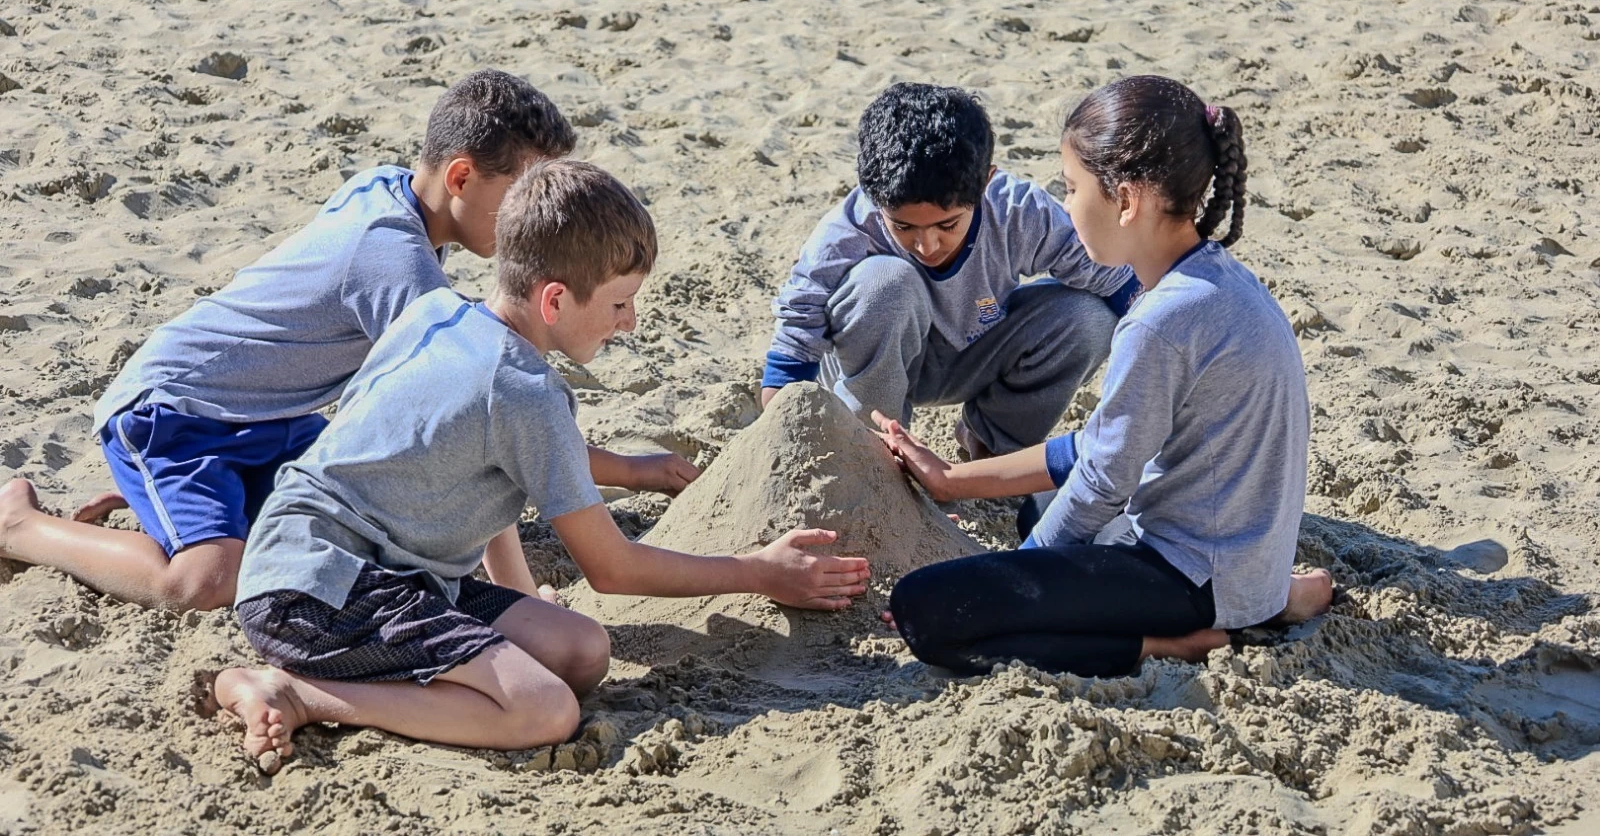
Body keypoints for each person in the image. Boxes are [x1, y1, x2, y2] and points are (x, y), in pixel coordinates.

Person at [215, 160, 870, 769]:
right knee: (544, 708)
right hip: (318, 590)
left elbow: (482, 474)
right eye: (618, 304)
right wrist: (759, 573)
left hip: (345, 565)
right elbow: (612, 569)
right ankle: (296, 692)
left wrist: (521, 599)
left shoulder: (440, 313)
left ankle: (349, 673)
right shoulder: (527, 393)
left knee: (581, 652)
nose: (631, 323)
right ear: (554, 300)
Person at [0, 70, 696, 612]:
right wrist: (514, 592)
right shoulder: (395, 265)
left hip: (270, 418)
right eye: (523, 195)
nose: (532, 223)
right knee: (207, 580)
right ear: (460, 176)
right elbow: (472, 436)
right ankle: (22, 529)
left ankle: (162, 497)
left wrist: (627, 470)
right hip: (174, 415)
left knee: (365, 519)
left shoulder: (394, 194)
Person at [876, 75, 1333, 678]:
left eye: (1071, 188)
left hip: (1193, 573)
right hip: (1237, 555)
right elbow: (1100, 450)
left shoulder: (1160, 322)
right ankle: (1273, 597)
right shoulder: (1218, 277)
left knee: (925, 611)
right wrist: (954, 480)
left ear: (1125, 200)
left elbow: (1100, 483)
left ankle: (1177, 644)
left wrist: (1025, 570)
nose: (1064, 207)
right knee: (1040, 502)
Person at [760, 82, 1138, 459]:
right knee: (886, 284)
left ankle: (990, 443)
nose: (927, 246)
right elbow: (795, 338)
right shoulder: (848, 229)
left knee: (1089, 318)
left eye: (947, 225)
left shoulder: (1017, 212)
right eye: (904, 227)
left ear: (985, 184)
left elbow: (1116, 278)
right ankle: (870, 459)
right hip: (871, 362)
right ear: (875, 197)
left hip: (972, 349)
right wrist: (776, 439)